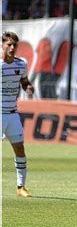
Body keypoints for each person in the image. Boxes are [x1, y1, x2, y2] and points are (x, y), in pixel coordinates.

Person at [2, 31, 35, 197]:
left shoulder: (21, 64)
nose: (12, 48)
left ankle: (20, 187)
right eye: (9, 44)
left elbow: (24, 82)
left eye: (15, 45)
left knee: (20, 149)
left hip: (13, 113)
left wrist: (28, 87)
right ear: (2, 45)